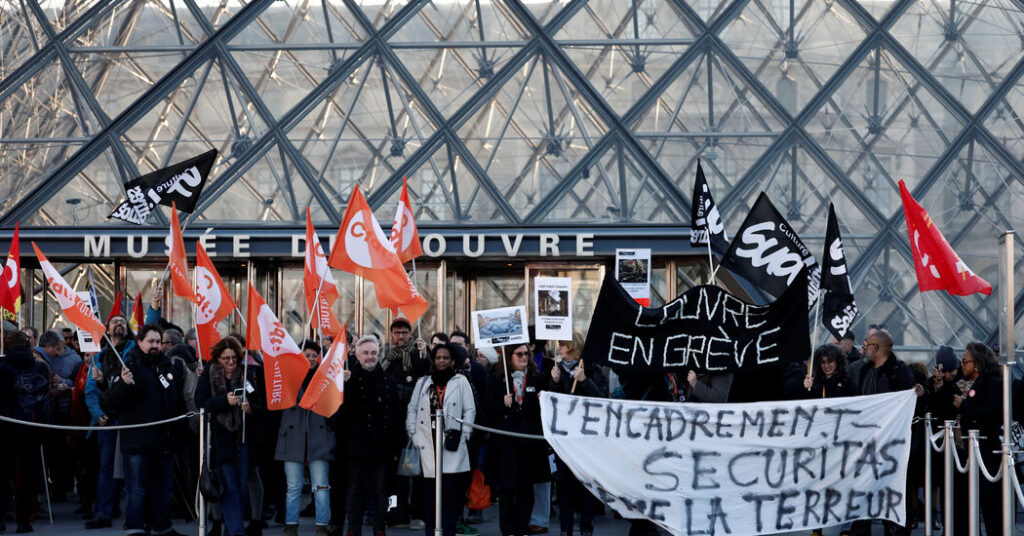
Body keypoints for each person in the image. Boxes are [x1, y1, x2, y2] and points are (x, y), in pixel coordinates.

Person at [100, 324, 187, 536]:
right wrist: (124, 384)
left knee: (163, 489)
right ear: (140, 342)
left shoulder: (168, 367)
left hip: (163, 442)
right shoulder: (129, 366)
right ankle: (135, 528)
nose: (155, 345)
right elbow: (109, 403)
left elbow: (177, 402)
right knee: (136, 490)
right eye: (150, 341)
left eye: (158, 342)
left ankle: (161, 527)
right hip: (137, 442)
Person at [849, 329, 916, 536]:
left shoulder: (899, 370)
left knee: (890, 488)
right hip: (867, 441)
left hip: (891, 444)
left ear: (876, 348)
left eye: (868, 344)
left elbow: (909, 402)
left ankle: (894, 528)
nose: (864, 348)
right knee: (864, 487)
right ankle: (861, 528)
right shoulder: (865, 370)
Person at [406, 343, 476, 536]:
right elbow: (412, 408)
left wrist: (465, 434)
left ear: (452, 360)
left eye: (446, 357)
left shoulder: (460, 381)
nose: (442, 361)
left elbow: (470, 410)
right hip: (428, 444)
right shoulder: (423, 382)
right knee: (430, 500)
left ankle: (448, 532)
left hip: (452, 444)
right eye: (438, 357)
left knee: (450, 500)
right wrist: (413, 432)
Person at [195, 337, 262, 536]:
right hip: (218, 440)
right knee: (230, 486)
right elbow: (201, 402)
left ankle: (231, 529)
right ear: (218, 359)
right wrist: (225, 401)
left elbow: (259, 404)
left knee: (241, 487)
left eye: (234, 358)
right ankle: (237, 531)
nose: (231, 362)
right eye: (226, 359)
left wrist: (249, 408)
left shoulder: (245, 376)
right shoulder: (209, 374)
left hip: (241, 440)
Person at [338, 335, 402, 536]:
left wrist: (396, 446)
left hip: (382, 446)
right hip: (355, 446)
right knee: (355, 489)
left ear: (379, 353)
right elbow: (338, 415)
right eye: (365, 353)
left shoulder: (389, 381)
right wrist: (343, 386)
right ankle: (353, 530)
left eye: (373, 352)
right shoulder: (346, 380)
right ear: (356, 355)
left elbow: (396, 415)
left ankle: (379, 529)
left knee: (381, 489)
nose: (370, 356)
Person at [485, 343, 550, 536]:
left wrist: (545, 395)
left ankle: (522, 528)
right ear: (509, 356)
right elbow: (487, 407)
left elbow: (548, 407)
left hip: (529, 443)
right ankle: (508, 530)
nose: (524, 358)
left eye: (526, 354)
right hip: (506, 444)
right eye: (519, 354)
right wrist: (501, 404)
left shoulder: (538, 378)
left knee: (526, 489)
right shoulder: (496, 379)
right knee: (506, 490)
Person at [547, 332, 605, 536]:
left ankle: (586, 528)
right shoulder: (557, 370)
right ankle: (566, 529)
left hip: (586, 438)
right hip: (565, 438)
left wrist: (584, 380)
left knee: (585, 487)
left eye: (562, 345)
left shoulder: (590, 369)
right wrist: (554, 383)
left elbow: (601, 399)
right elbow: (552, 402)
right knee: (565, 487)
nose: (559, 349)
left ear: (573, 347)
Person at [276, 340, 336, 536]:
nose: (310, 359)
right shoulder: (288, 377)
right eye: (306, 355)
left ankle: (321, 527)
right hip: (293, 437)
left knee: (321, 486)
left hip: (319, 437)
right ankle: (291, 526)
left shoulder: (326, 377)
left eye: (313, 355)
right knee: (293, 487)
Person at [84, 314, 134, 529]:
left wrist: (155, 307)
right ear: (107, 329)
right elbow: (90, 391)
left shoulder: (134, 351)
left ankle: (134, 515)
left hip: (131, 420)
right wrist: (97, 414)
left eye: (123, 321)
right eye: (115, 322)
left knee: (131, 468)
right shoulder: (98, 358)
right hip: (108, 421)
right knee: (106, 467)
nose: (119, 324)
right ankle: (104, 511)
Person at [0, 331, 51, 533]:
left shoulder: (2, 368)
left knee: (3, 476)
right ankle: (24, 521)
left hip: (6, 429)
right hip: (32, 427)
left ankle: (1, 519)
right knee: (27, 477)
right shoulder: (39, 367)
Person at [380, 318, 429, 529]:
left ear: (410, 334)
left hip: (415, 421)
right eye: (397, 332)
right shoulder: (386, 357)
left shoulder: (418, 355)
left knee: (417, 471)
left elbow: (429, 376)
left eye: (404, 332)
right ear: (391, 334)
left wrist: (425, 353)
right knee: (393, 472)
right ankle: (394, 514)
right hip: (392, 423)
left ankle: (417, 514)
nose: (401, 336)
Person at [951, 342, 1003, 536]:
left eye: (965, 361)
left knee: (992, 509)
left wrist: (965, 406)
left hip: (986, 454)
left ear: (978, 363)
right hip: (966, 454)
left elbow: (994, 414)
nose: (962, 366)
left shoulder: (993, 383)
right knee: (964, 507)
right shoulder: (963, 382)